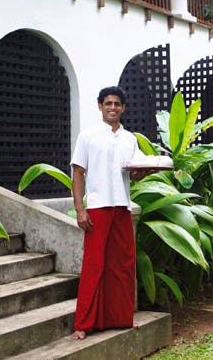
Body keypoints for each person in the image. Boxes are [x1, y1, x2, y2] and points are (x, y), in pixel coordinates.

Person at [69, 86, 147, 340]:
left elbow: (133, 173)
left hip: (122, 207)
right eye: (107, 103)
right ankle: (83, 324)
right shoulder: (88, 136)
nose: (112, 107)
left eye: (116, 103)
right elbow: (78, 173)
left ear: (123, 108)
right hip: (98, 208)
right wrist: (80, 209)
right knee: (94, 266)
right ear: (100, 106)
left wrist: (145, 171)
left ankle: (121, 318)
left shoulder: (130, 139)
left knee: (123, 265)